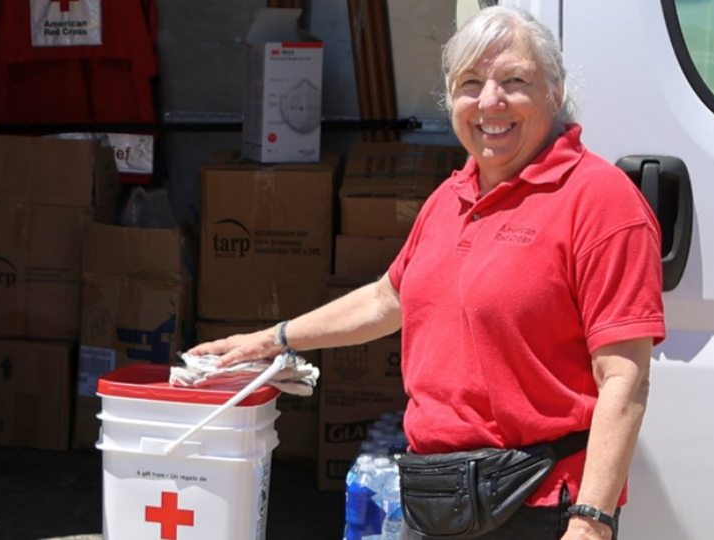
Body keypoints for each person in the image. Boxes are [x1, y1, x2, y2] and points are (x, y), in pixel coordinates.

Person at [188, 6, 664, 540]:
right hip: (437, 498)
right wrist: (272, 340)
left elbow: (625, 376)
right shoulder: (450, 197)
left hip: (539, 503)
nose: (490, 102)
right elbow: (386, 299)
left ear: (553, 92)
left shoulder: (600, 201)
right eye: (471, 84)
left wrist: (592, 522)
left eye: (514, 81)